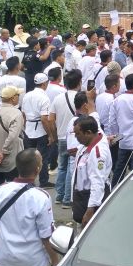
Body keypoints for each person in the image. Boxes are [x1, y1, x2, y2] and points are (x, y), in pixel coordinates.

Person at [0, 149, 58, 266]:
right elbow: (46, 236)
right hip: (33, 263)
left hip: (5, 259)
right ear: (38, 169)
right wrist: (54, 260)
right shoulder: (41, 197)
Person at [49, 69, 82, 209]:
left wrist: (54, 135)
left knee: (62, 166)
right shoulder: (81, 98)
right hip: (75, 138)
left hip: (61, 137)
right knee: (70, 167)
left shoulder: (58, 98)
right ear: (79, 82)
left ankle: (59, 195)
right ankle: (67, 199)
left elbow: (51, 118)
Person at [72, 115, 112, 226]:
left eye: (78, 134)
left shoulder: (97, 152)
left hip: (90, 200)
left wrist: (90, 210)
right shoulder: (84, 146)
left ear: (88, 132)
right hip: (82, 197)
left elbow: (97, 182)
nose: (76, 137)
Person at [20, 73, 55, 188]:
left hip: (29, 128)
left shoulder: (27, 95)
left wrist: (24, 128)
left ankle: (28, 180)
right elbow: (44, 119)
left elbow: (23, 114)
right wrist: (50, 135)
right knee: (43, 157)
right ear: (44, 83)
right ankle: (43, 181)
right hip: (40, 130)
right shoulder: (44, 98)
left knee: (28, 157)